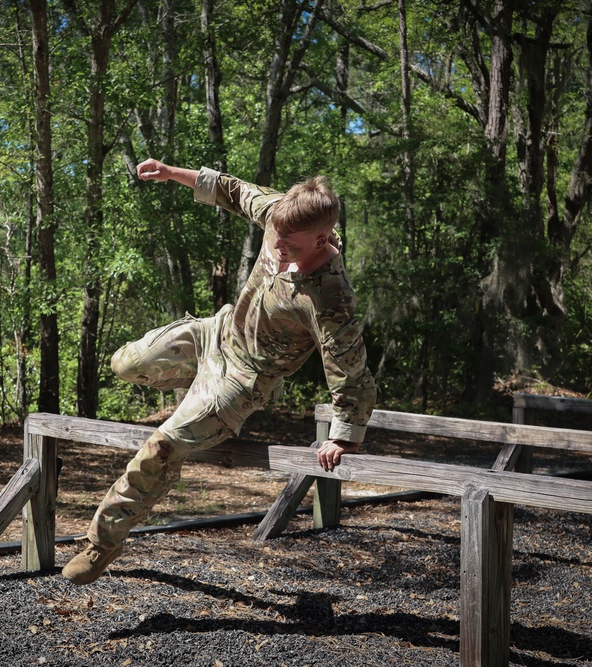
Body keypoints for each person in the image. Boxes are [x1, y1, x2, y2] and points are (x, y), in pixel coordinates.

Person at [62, 159, 377, 585]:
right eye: (276, 239)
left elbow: (349, 368)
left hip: (245, 377)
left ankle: (101, 544)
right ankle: (197, 395)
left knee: (163, 444)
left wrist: (344, 435)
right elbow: (229, 188)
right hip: (219, 331)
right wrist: (171, 172)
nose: (279, 248)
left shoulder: (330, 297)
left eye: (291, 246)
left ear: (321, 239)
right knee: (126, 364)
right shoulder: (279, 214)